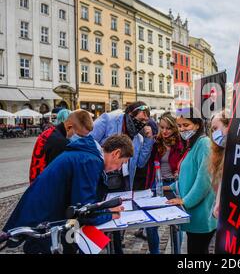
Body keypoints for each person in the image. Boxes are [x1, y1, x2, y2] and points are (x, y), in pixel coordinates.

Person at [2, 134, 133, 254]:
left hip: (46, 218)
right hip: (45, 223)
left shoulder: (87, 155)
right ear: (116, 153)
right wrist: (109, 214)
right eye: (121, 163)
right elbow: (83, 210)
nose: (118, 169)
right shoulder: (90, 161)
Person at [90, 101, 155, 254]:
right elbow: (89, 140)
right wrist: (108, 156)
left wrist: (148, 140)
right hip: (102, 178)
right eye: (140, 119)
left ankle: (117, 248)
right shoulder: (108, 120)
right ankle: (96, 247)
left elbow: (141, 162)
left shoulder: (138, 138)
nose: (142, 123)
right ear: (129, 114)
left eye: (145, 121)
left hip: (123, 181)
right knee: (99, 216)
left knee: (118, 217)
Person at [166, 107, 217, 254]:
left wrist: (185, 201)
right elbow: (188, 176)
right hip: (193, 213)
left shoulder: (204, 144)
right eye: (179, 126)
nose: (182, 129)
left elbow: (204, 180)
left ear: (197, 125)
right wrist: (170, 187)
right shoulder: (191, 144)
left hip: (201, 214)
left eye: (186, 125)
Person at [139, 112, 185, 254]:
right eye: (162, 127)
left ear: (174, 128)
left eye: (168, 128)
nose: (164, 131)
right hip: (157, 184)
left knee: (176, 223)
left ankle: (177, 252)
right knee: (151, 224)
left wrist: (179, 171)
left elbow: (185, 163)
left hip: (174, 184)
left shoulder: (181, 143)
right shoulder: (155, 142)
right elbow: (145, 163)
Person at [29, 110, 94, 184]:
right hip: (43, 189)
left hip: (36, 185)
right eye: (80, 136)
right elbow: (59, 179)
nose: (82, 139)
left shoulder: (51, 132)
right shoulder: (60, 143)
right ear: (69, 127)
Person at [208, 110, 230, 219]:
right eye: (212, 130)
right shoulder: (221, 153)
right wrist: (218, 203)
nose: (214, 134)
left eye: (215, 128)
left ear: (228, 125)